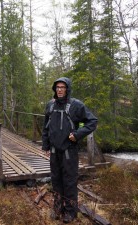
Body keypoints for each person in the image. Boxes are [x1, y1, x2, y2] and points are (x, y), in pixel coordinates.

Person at [42, 77, 98, 223]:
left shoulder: (76, 105)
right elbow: (45, 127)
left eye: (63, 87)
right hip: (54, 151)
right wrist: (45, 145)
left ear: (67, 89)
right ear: (55, 89)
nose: (59, 89)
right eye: (57, 87)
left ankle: (70, 212)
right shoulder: (50, 105)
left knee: (69, 181)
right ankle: (58, 207)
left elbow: (92, 121)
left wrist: (78, 135)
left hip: (69, 151)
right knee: (56, 180)